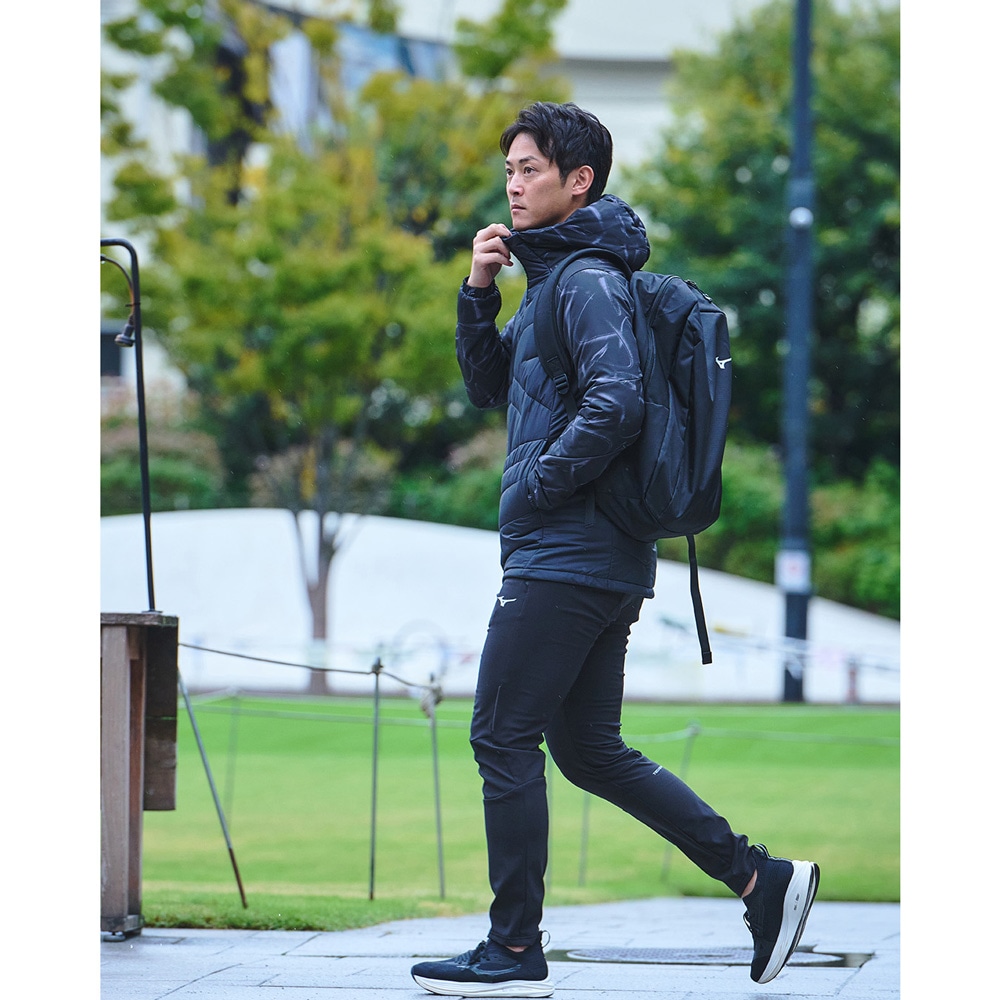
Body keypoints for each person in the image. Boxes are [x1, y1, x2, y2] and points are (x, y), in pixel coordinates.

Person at [410, 101, 819, 999]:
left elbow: (618, 402)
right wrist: (478, 292)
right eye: (509, 171)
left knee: (500, 734)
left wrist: (537, 486)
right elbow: (489, 388)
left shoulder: (586, 278)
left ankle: (513, 948)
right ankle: (761, 880)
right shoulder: (554, 281)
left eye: (530, 169)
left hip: (568, 553)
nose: (514, 186)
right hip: (598, 556)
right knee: (589, 751)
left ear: (579, 180)